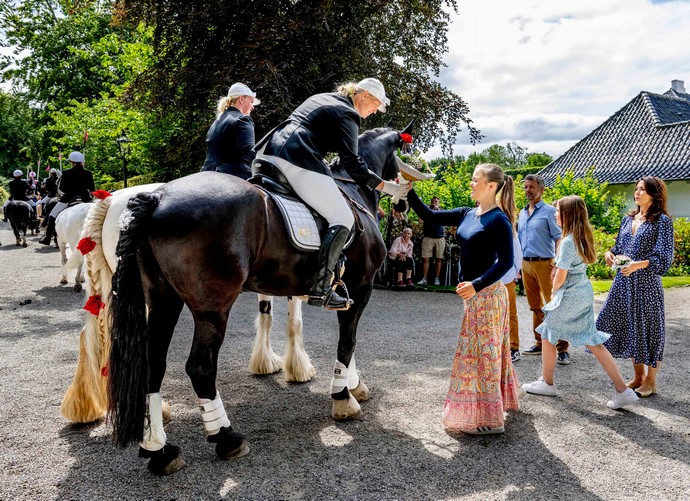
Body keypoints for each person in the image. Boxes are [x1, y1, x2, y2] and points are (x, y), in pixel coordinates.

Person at [254, 78, 408, 311]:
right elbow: (353, 165)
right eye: (375, 104)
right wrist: (386, 187)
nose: (375, 110)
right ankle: (322, 288)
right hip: (296, 158)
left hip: (267, 153)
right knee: (343, 217)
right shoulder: (349, 114)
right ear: (364, 95)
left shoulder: (323, 98)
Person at [407, 163, 520, 435]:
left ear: (491, 186)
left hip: (488, 295)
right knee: (485, 353)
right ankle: (494, 406)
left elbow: (506, 263)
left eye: (474, 180)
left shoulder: (499, 219)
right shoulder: (467, 213)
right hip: (474, 296)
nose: (471, 184)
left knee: (483, 356)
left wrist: (477, 285)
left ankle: (491, 421)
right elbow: (429, 215)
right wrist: (408, 191)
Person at [522, 195, 640, 409]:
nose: (555, 214)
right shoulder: (580, 237)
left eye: (558, 211)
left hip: (570, 295)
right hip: (582, 293)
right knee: (591, 341)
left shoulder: (567, 242)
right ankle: (622, 389)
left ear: (567, 214)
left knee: (549, 334)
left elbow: (560, 276)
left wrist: (554, 291)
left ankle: (547, 383)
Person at [596, 177, 674, 398]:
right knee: (631, 327)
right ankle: (638, 376)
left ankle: (650, 381)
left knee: (650, 329)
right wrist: (609, 254)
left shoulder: (662, 222)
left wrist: (638, 264)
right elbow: (618, 247)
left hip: (647, 284)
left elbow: (664, 258)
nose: (637, 193)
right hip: (623, 282)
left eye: (643, 189)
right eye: (637, 189)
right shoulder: (627, 219)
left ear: (655, 194)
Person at [518, 174, 571, 364]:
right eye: (525, 187)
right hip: (526, 263)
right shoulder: (522, 213)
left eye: (531, 187)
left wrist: (557, 263)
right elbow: (519, 241)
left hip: (545, 263)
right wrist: (518, 264)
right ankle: (539, 343)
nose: (528, 191)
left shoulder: (549, 211)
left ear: (541, 190)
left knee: (554, 305)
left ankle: (562, 348)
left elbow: (559, 238)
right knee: (535, 307)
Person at [201, 82, 259, 179]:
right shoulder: (243, 120)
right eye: (251, 102)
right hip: (233, 176)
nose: (252, 107)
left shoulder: (216, 122)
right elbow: (249, 152)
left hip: (206, 174)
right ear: (241, 99)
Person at [39, 151, 95, 245]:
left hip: (68, 198)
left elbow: (62, 188)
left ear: (72, 162)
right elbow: (92, 188)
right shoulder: (88, 173)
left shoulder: (66, 173)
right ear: (81, 162)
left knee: (52, 215)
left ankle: (47, 237)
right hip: (85, 198)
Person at [501, 208, 522, 363]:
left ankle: (514, 347)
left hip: (507, 277)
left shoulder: (508, 228)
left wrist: (515, 272)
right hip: (488, 278)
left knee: (510, 313)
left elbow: (517, 253)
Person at [417, 196, 445, 285]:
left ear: (439, 202)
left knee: (439, 259)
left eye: (436, 201)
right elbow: (420, 221)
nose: (434, 203)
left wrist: (437, 210)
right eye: (433, 201)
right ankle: (424, 278)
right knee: (425, 259)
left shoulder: (442, 211)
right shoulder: (427, 211)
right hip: (428, 237)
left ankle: (437, 278)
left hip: (440, 238)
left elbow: (445, 221)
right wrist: (426, 211)